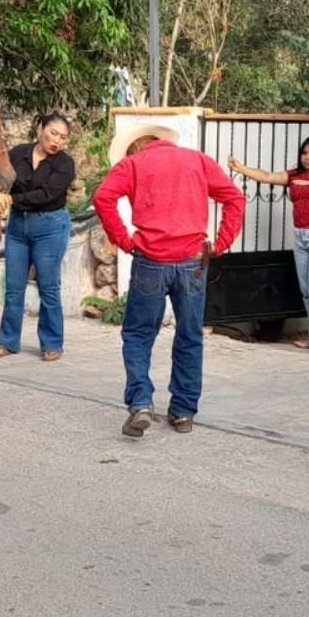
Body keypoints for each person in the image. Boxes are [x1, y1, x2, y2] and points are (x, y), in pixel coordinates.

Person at [94, 123, 244, 438]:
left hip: (150, 261)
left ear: (136, 146)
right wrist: (222, 241)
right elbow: (235, 199)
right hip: (192, 263)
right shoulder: (198, 160)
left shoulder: (133, 164)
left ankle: (141, 403)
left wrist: (124, 239)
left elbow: (103, 197)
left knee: (138, 335)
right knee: (190, 336)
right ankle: (184, 412)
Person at [228, 136, 309, 353]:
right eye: (304, 153)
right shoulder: (294, 175)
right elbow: (266, 176)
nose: (307, 157)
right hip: (301, 238)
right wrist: (241, 168)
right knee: (306, 290)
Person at [0, 114, 75, 361]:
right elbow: (1, 177)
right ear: (40, 130)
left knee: (48, 287)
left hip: (50, 226)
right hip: (17, 228)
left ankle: (52, 343)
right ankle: (6, 342)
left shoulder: (64, 164)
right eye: (53, 133)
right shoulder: (18, 154)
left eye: (64, 137)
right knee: (13, 289)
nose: (57, 141)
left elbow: (46, 194)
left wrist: (12, 199)